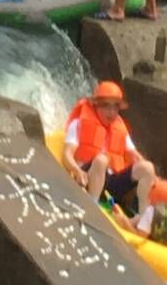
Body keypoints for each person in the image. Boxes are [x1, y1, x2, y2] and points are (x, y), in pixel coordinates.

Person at [63, 81, 157, 214]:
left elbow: (135, 156)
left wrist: (154, 178)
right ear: (95, 105)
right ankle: (92, 206)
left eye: (115, 107)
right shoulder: (78, 124)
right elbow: (67, 154)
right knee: (102, 160)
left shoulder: (119, 128)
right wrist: (76, 170)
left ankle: (142, 218)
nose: (112, 112)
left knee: (148, 167)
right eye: (106, 106)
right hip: (87, 178)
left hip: (111, 185)